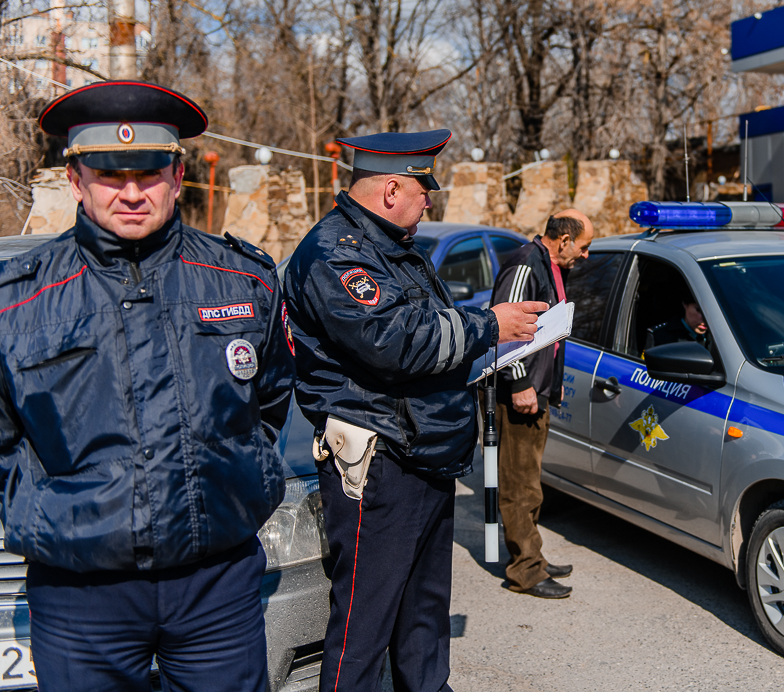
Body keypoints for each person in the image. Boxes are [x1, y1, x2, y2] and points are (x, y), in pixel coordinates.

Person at [0, 81, 293, 691]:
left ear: (177, 175)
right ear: (76, 179)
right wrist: (52, 513)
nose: (131, 192)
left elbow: (266, 405)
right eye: (109, 174)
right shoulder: (17, 302)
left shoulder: (244, 282)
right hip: (81, 594)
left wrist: (237, 483)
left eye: (149, 171)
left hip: (216, 587)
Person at [282, 130, 546, 692]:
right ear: (390, 189)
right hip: (380, 462)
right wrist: (490, 325)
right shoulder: (337, 252)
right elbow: (395, 340)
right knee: (363, 628)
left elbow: (429, 335)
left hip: (423, 453)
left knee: (424, 622)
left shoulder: (392, 245)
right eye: (423, 188)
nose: (430, 199)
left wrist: (482, 340)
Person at [491, 210, 594, 599]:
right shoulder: (524, 265)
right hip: (520, 394)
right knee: (519, 486)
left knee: (531, 483)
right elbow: (504, 331)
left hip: (539, 390)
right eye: (583, 247)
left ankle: (533, 556)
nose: (585, 255)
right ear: (564, 240)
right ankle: (526, 571)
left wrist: (553, 382)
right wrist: (519, 384)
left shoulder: (551, 266)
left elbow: (552, 333)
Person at [645, 289, 710, 352]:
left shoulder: (715, 336)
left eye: (710, 312)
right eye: (698, 310)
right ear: (685, 305)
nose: (705, 318)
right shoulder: (660, 336)